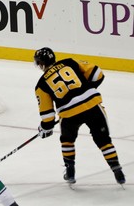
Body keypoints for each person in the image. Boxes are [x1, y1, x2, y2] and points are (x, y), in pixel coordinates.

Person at [33, 47, 125, 185]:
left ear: (41, 64)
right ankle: (116, 169)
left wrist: (45, 128)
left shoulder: (40, 85)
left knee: (67, 140)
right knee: (104, 140)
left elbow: (48, 117)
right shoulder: (70, 62)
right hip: (93, 106)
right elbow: (97, 74)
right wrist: (87, 89)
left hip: (69, 115)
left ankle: (70, 172)